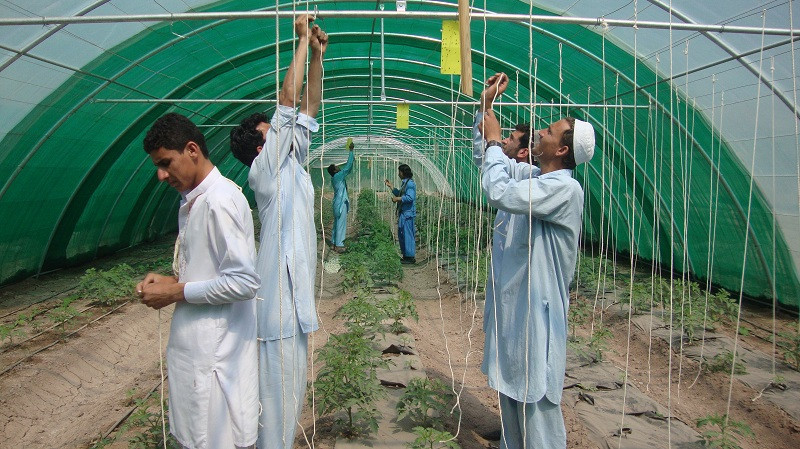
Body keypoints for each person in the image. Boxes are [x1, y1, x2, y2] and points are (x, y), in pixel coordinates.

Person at [474, 72, 596, 449]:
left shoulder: (564, 189)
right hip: (516, 310)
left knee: (536, 406)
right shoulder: (533, 177)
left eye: (549, 131)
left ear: (562, 150)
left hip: (535, 316)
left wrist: (494, 140)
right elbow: (487, 162)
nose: (540, 132)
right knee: (512, 397)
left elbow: (498, 190)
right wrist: (486, 105)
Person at [228, 14, 326, 449]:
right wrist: (300, 40)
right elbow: (288, 99)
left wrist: (318, 56)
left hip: (294, 302)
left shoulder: (291, 163)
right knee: (277, 405)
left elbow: (308, 108)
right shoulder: (264, 171)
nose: (281, 131)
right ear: (260, 146)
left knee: (290, 398)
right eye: (272, 131)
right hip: (279, 305)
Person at [137, 112, 260, 449]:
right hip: (200, 354)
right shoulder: (198, 200)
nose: (161, 175)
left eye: (166, 163)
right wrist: (170, 280)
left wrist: (176, 291)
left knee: (215, 436)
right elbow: (213, 271)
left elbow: (243, 282)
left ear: (192, 150)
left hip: (216, 357)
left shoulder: (220, 201)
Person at [384, 163, 417, 264]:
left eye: (399, 172)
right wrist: (391, 187)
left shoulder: (410, 184)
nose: (398, 174)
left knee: (407, 234)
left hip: (408, 213)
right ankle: (406, 255)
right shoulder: (405, 183)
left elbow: (410, 198)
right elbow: (400, 193)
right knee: (402, 233)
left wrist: (398, 199)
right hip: (404, 212)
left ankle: (410, 257)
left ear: (403, 173)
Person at [328, 139, 355, 253]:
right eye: (336, 167)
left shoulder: (335, 178)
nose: (339, 167)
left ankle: (334, 243)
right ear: (335, 170)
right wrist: (351, 151)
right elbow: (348, 167)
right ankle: (339, 245)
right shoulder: (338, 176)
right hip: (341, 203)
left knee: (336, 223)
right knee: (341, 224)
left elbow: (348, 168)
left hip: (336, 203)